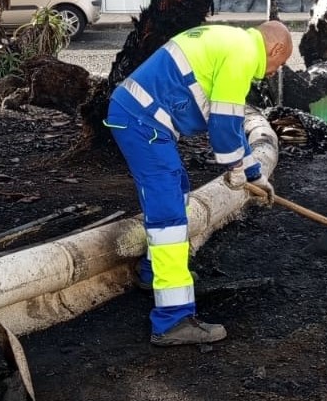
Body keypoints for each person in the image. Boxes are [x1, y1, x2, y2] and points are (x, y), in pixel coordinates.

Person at [106, 21, 294, 347]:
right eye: (280, 63)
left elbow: (232, 125)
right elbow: (222, 127)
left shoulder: (234, 42)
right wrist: (235, 166)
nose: (276, 70)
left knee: (175, 190)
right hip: (143, 123)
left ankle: (154, 273)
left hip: (140, 118)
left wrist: (254, 174)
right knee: (168, 218)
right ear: (275, 49)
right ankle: (172, 320)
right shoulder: (244, 55)